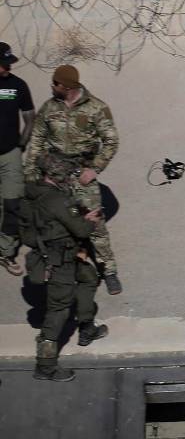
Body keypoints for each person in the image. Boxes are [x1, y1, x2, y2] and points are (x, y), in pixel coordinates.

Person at [23, 64, 121, 294]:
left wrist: (95, 169)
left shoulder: (96, 108)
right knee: (55, 222)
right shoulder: (49, 108)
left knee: (96, 224)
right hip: (54, 176)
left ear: (66, 87)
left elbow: (111, 141)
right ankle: (61, 267)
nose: (52, 86)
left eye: (55, 83)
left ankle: (109, 270)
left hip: (81, 173)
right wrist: (31, 175)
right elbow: (37, 140)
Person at [22, 159, 106, 381]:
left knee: (88, 277)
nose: (70, 179)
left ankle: (87, 326)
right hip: (59, 261)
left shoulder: (32, 193)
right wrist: (91, 221)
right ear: (57, 176)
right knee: (58, 310)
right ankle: (45, 366)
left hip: (61, 253)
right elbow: (81, 230)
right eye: (68, 176)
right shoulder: (58, 199)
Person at [0, 42, 34, 277]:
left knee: (12, 204)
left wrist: (21, 145)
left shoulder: (18, 85)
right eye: (4, 64)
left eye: (9, 63)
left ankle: (6, 251)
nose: (7, 68)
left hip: (10, 154)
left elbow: (30, 117)